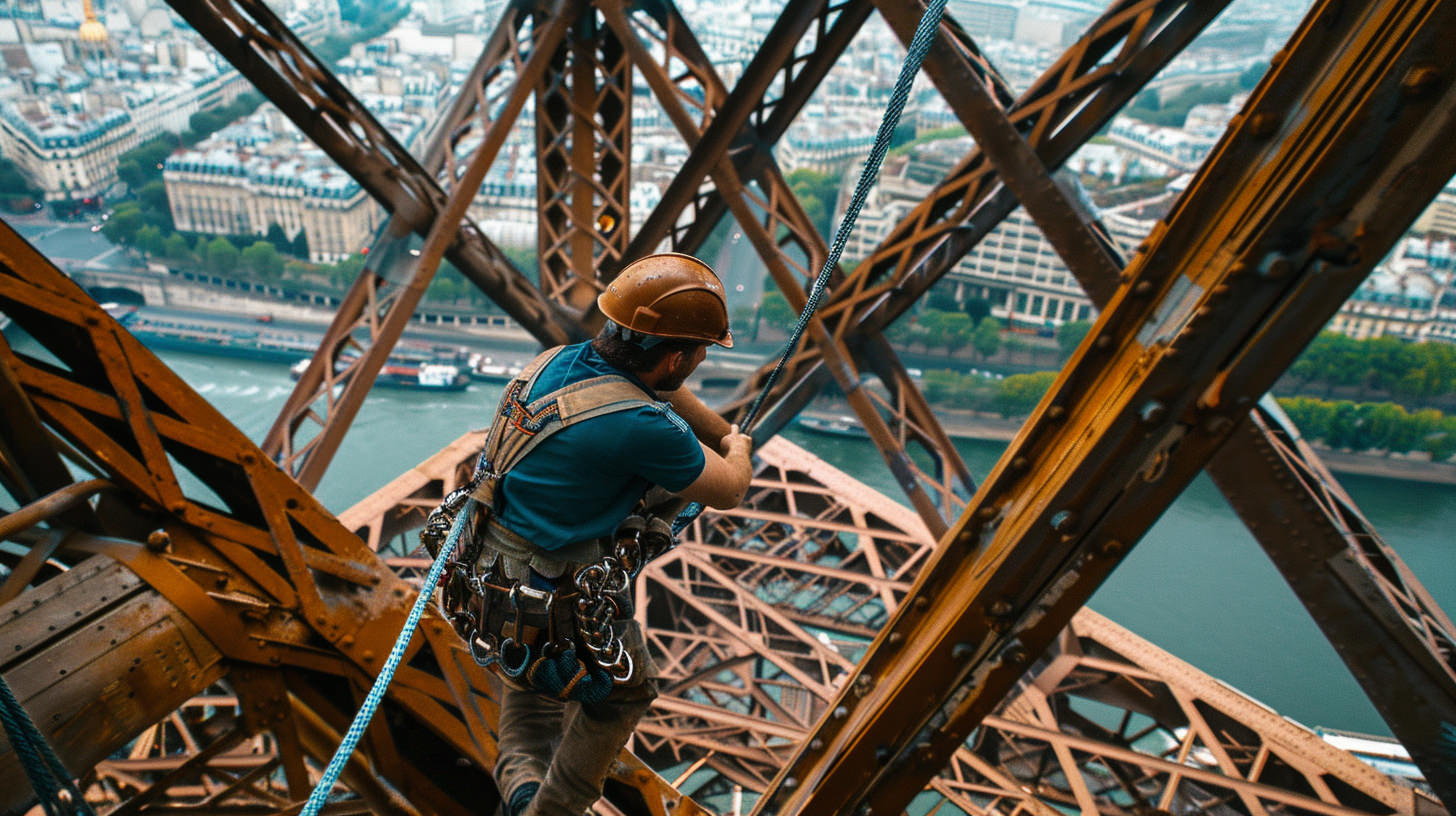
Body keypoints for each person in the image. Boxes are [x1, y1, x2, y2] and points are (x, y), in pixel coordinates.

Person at [454, 253, 753, 816]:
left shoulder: (553, 362)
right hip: (556, 597)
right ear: (673, 358)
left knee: (531, 678)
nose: (700, 361)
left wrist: (716, 426)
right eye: (698, 353)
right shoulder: (642, 428)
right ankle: (554, 810)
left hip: (492, 578)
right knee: (625, 695)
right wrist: (737, 445)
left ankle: (520, 789)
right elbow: (730, 487)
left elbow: (655, 390)